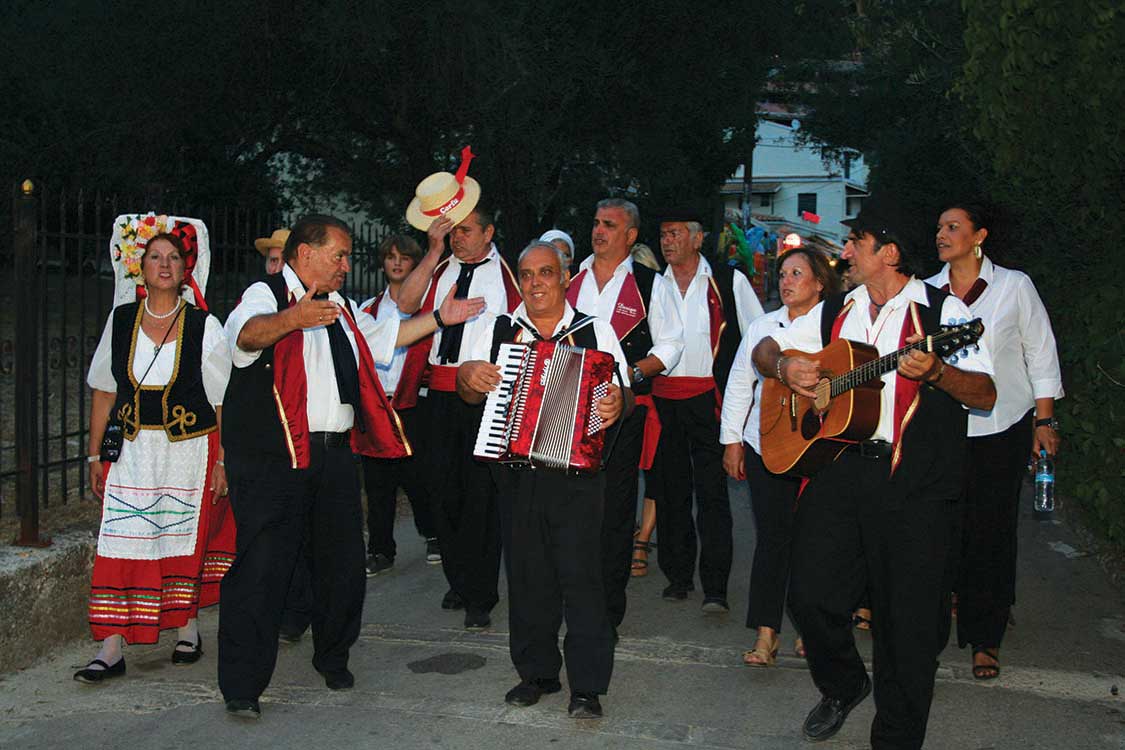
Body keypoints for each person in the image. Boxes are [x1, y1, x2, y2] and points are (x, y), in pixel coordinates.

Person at [217, 215, 484, 720]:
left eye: (345, 256)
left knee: (341, 565)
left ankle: (333, 656)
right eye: (338, 255)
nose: (346, 265)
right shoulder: (265, 293)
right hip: (276, 457)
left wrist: (441, 319)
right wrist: (294, 318)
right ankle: (243, 685)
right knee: (261, 568)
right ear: (304, 254)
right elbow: (246, 339)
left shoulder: (338, 306)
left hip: (335, 454)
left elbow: (383, 338)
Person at [751, 200, 997, 748]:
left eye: (855, 242)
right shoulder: (838, 306)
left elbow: (985, 392)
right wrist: (786, 366)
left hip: (914, 481)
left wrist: (938, 369)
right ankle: (843, 683)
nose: (844, 252)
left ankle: (896, 737)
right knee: (809, 595)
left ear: (888, 252)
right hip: (840, 469)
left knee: (904, 623)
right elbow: (764, 346)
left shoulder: (945, 311)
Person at [457, 240, 631, 719]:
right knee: (529, 578)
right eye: (527, 274)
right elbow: (467, 391)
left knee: (582, 579)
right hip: (515, 472)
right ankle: (537, 674)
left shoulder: (593, 330)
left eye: (546, 273)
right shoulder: (496, 328)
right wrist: (467, 376)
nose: (535, 283)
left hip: (576, 478)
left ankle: (588, 686)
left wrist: (619, 404)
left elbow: (625, 391)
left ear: (564, 276)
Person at [76, 220, 233, 683]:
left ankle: (187, 626)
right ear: (139, 268)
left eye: (173, 258)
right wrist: (92, 457)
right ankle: (111, 644)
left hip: (187, 451)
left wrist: (221, 461)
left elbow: (221, 400)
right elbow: (104, 393)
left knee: (180, 538)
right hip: (130, 450)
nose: (164, 265)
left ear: (186, 271)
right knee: (121, 540)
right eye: (155, 258)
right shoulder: (121, 320)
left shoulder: (205, 326)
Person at [926, 202, 1063, 680]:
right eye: (940, 227)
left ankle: (986, 638)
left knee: (992, 530)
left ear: (978, 235)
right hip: (946, 430)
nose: (942, 234)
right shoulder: (930, 292)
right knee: (944, 529)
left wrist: (1044, 422)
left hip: (1003, 424)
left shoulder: (1013, 286)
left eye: (953, 227)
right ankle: (937, 624)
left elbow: (1040, 352)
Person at [395, 160, 521, 631]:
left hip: (485, 396)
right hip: (438, 394)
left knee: (480, 498)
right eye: (453, 231)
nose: (459, 237)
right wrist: (430, 253)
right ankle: (457, 575)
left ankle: (480, 594)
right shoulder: (440, 267)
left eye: (467, 230)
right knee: (440, 492)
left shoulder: (507, 277)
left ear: (488, 233)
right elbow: (405, 305)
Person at [566, 198, 683, 629]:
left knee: (614, 510)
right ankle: (575, 598)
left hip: (623, 408)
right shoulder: (571, 277)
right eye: (596, 223)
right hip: (570, 408)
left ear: (631, 235)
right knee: (574, 507)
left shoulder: (652, 284)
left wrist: (631, 373)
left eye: (609, 225)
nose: (599, 231)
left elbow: (671, 345)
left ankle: (607, 610)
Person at [721, 248, 839, 665]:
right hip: (763, 445)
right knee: (772, 539)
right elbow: (740, 383)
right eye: (783, 274)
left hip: (817, 451)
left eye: (797, 273)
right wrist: (732, 440)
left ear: (820, 282)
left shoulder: (835, 326)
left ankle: (812, 627)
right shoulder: (761, 326)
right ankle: (765, 633)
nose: (786, 281)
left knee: (813, 542)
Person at [652, 210, 763, 611]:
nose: (668, 241)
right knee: (670, 493)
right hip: (664, 400)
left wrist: (748, 402)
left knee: (713, 496)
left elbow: (759, 337)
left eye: (676, 233)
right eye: (664, 233)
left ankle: (715, 586)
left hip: (709, 400)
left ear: (698, 239)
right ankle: (677, 576)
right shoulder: (654, 282)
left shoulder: (728, 280)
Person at [358, 234, 440, 575]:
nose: (396, 262)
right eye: (390, 256)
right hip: (377, 405)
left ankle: (433, 533)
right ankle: (380, 549)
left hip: (412, 404)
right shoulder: (367, 310)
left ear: (414, 262)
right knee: (378, 481)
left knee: (418, 476)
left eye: (403, 257)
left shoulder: (427, 311)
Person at [628, 242, 661, 578]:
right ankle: (630, 535)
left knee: (654, 473)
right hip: (620, 396)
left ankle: (642, 542)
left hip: (652, 396)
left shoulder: (659, 298)